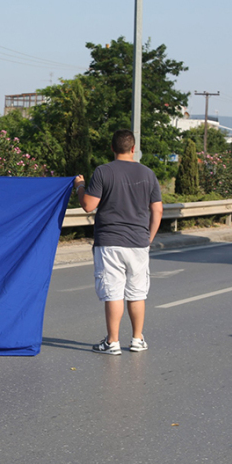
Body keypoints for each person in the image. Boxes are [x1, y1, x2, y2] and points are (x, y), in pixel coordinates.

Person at [74, 130, 163, 356]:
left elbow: (88, 206)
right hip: (138, 242)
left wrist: (80, 186)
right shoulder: (148, 174)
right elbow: (157, 209)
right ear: (134, 149)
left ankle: (112, 342)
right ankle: (137, 339)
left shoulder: (104, 171)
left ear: (112, 148)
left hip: (110, 241)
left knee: (114, 292)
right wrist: (149, 238)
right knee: (137, 292)